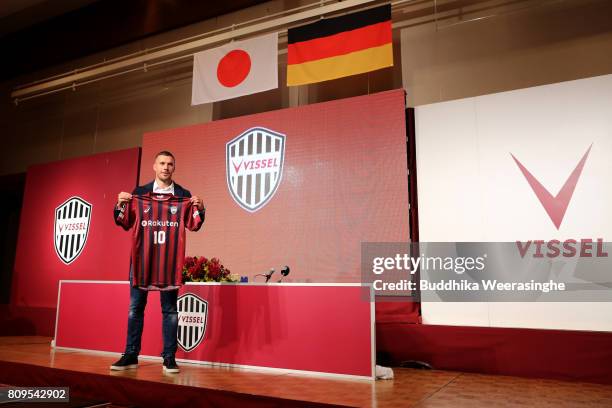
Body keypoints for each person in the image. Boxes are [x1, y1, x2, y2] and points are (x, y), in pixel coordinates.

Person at [110, 151, 205, 373]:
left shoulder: (183, 195)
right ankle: (131, 354)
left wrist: (201, 208)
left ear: (174, 168)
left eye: (170, 164)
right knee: (135, 308)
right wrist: (119, 204)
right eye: (162, 163)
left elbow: (194, 225)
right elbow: (123, 222)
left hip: (169, 263)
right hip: (141, 261)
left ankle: (169, 358)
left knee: (170, 310)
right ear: (154, 166)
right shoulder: (140, 193)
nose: (165, 167)